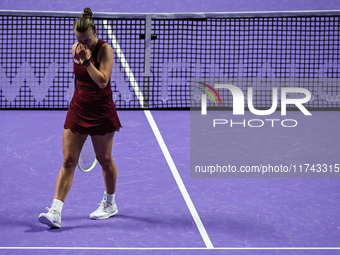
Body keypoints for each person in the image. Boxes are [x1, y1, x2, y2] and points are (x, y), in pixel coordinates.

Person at [38, 7, 122, 228]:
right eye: (78, 40)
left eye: (86, 40)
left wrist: (86, 61)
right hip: (79, 109)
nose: (82, 44)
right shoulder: (76, 48)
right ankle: (55, 210)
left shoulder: (105, 50)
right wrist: (78, 102)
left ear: (94, 33)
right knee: (68, 161)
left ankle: (110, 203)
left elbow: (102, 81)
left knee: (105, 159)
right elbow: (80, 81)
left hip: (102, 111)